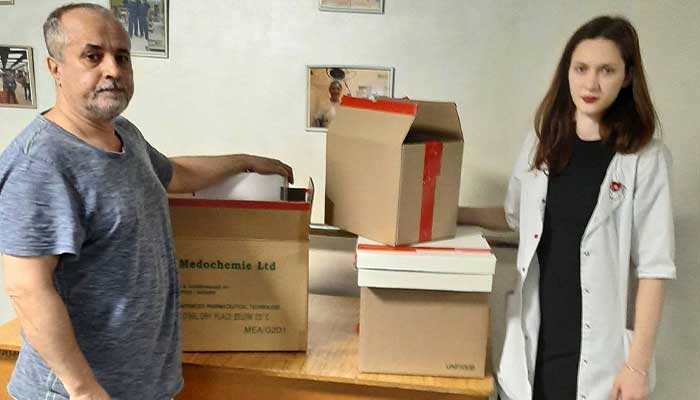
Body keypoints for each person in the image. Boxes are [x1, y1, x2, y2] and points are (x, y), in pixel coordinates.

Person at [0, 4, 293, 400]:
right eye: (92, 56)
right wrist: (83, 389)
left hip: (142, 385)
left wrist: (244, 161)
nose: (113, 69)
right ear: (55, 68)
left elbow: (174, 173)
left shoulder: (123, 134)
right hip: (78, 393)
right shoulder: (41, 162)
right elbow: (26, 288)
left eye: (121, 57)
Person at [458, 16, 675, 400]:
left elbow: (655, 268)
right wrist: (453, 214)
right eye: (581, 69)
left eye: (606, 70)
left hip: (601, 350)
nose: (591, 84)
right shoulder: (541, 142)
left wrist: (637, 366)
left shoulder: (645, 158)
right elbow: (513, 216)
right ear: (567, 73)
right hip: (538, 335)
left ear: (627, 77)